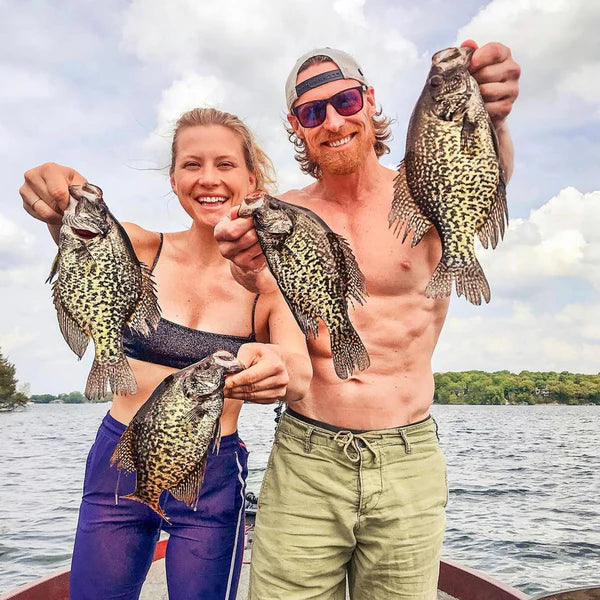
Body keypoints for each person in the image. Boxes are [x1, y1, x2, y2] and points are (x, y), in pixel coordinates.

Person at [214, 41, 521, 599]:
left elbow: (483, 172)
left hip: (408, 458)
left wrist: (493, 118)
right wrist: (244, 270)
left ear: (369, 99)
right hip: (307, 457)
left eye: (346, 101)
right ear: (297, 126)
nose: (333, 121)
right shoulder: (285, 214)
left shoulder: (425, 186)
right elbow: (272, 313)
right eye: (313, 112)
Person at [19, 107, 312, 600]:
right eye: (192, 164)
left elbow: (299, 374)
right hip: (119, 457)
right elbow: (76, 229)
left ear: (252, 180)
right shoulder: (133, 244)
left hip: (210, 470)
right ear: (174, 179)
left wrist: (280, 371)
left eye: (225, 164)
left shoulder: (269, 282)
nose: (208, 178)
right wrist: (57, 188)